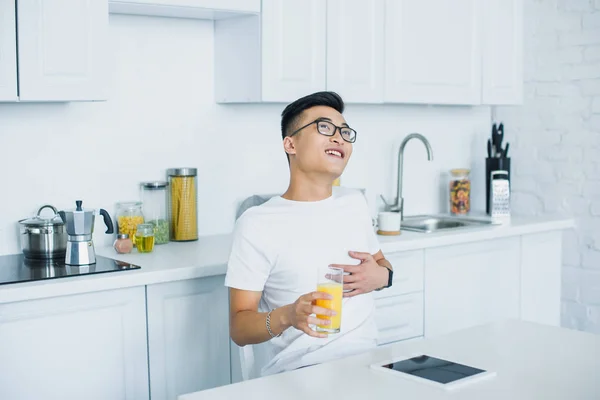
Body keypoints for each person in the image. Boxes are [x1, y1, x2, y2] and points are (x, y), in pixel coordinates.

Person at [225, 91, 394, 377]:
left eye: (345, 131)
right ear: (290, 144)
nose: (339, 138)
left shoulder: (354, 204)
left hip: (371, 365)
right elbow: (239, 328)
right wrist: (289, 315)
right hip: (302, 373)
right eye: (324, 127)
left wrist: (384, 278)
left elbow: (382, 265)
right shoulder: (257, 223)